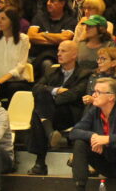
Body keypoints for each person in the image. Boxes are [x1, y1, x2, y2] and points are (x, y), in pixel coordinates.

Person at [27, 40, 92, 175]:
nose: (58, 54)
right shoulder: (52, 71)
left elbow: (73, 95)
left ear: (74, 55)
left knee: (39, 112)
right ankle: (50, 133)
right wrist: (55, 90)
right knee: (40, 107)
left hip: (69, 115)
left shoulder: (84, 73)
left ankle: (40, 163)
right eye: (58, 50)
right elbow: (36, 88)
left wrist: (49, 98)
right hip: (51, 114)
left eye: (63, 51)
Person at [0, 8, 31, 103]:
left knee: (13, 88)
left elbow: (21, 65)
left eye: (3, 19)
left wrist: (4, 78)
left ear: (12, 21)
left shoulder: (24, 39)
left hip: (16, 81)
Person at [27, 0, 76, 74]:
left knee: (47, 64)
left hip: (54, 57)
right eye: (47, 0)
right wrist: (55, 39)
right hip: (34, 55)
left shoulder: (70, 21)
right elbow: (31, 36)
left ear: (62, 3)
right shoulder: (39, 17)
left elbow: (64, 39)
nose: (48, 3)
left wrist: (44, 34)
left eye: (52, 1)